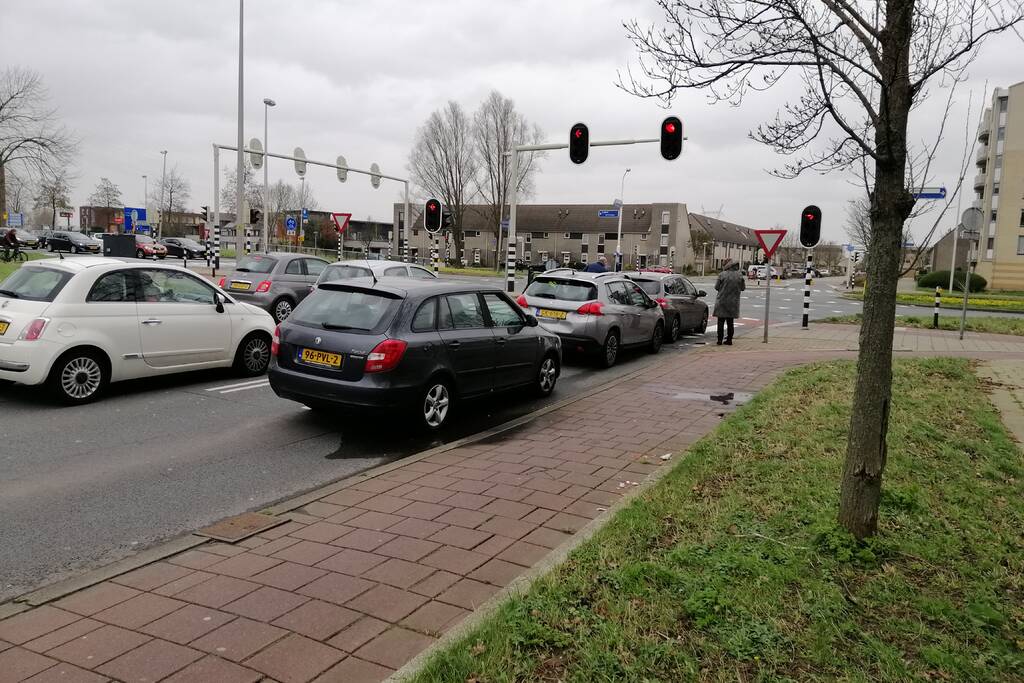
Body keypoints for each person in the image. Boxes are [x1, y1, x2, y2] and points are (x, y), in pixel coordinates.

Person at [713, 259, 745, 345]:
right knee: (730, 322)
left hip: (722, 301)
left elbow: (716, 287)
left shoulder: (722, 275)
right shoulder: (739, 276)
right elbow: (742, 288)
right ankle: (729, 340)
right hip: (733, 302)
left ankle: (719, 340)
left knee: (720, 322)